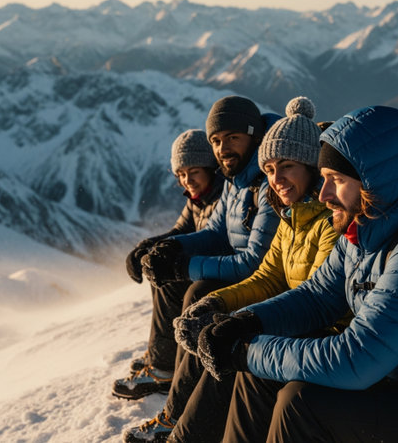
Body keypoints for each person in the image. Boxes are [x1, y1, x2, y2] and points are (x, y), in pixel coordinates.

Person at [197, 105, 398, 442]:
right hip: (396, 376)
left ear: (377, 180)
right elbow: (317, 297)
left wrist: (245, 351)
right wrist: (247, 323)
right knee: (259, 375)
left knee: (300, 402)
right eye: (323, 178)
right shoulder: (365, 226)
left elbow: (358, 358)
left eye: (337, 180)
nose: (324, 195)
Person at [122, 97, 342, 442]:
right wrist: (213, 299)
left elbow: (313, 297)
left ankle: (180, 425)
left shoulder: (320, 217)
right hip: (297, 320)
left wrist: (240, 316)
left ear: (311, 166)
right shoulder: (287, 208)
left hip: (322, 338)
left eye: (286, 166)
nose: (277, 179)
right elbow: (266, 274)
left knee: (228, 343)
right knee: (209, 319)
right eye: (270, 169)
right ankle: (177, 416)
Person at [112, 96, 281, 401]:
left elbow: (254, 262)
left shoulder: (266, 182)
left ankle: (172, 379)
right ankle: (165, 363)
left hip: (263, 281)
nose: (223, 147)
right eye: (216, 140)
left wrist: (182, 265)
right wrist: (164, 249)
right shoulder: (234, 178)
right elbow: (212, 231)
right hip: (242, 271)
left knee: (196, 293)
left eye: (232, 137)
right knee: (169, 275)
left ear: (254, 136)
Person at [117, 129, 224, 381]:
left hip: (220, 270)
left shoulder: (221, 197)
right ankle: (161, 352)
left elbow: (216, 239)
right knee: (158, 267)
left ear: (211, 168)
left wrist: (169, 254)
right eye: (181, 175)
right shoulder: (198, 198)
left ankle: (162, 368)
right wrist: (148, 246)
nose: (187, 180)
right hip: (207, 266)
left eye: (194, 172)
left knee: (169, 280)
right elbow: (180, 230)